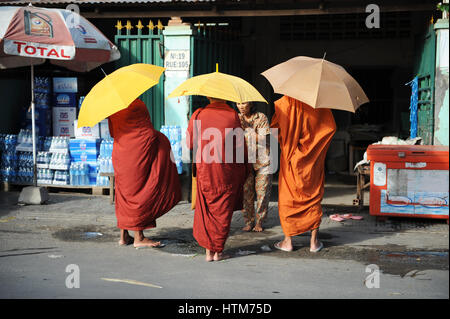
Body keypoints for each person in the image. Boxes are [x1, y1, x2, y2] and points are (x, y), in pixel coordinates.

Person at [108, 98, 181, 248]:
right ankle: (138, 237)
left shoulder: (112, 106)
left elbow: (112, 132)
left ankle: (123, 236)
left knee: (123, 192)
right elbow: (147, 131)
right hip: (139, 152)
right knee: (140, 191)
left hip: (121, 152)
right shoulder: (138, 104)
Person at [270, 95, 336, 252]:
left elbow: (274, 129)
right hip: (313, 159)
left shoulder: (285, 102)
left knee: (288, 198)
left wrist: (287, 142)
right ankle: (314, 242)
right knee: (313, 197)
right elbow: (330, 128)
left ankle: (288, 241)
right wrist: (315, 148)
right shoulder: (321, 105)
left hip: (291, 158)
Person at [186, 97, 249, 262]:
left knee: (207, 208)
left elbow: (190, 143)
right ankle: (218, 252)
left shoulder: (199, 114)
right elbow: (239, 145)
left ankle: (209, 252)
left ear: (208, 97)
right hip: (226, 169)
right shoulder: (232, 115)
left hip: (205, 168)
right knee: (223, 209)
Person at [236, 102, 272, 232]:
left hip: (262, 160)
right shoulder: (237, 118)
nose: (241, 106)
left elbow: (264, 139)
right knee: (246, 192)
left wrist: (247, 134)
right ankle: (248, 221)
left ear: (251, 103)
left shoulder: (261, 117)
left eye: (244, 103)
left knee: (262, 192)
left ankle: (260, 221)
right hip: (245, 160)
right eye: (238, 103)